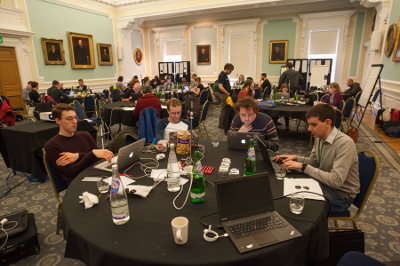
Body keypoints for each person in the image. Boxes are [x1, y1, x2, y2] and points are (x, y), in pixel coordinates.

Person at [274, 104, 359, 214]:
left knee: (299, 203)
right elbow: (314, 163)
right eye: (309, 124)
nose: (309, 129)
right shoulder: (319, 138)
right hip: (325, 183)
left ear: (328, 123)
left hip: (340, 195)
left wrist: (303, 166)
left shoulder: (345, 144)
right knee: (290, 191)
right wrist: (296, 158)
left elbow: (336, 181)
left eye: (314, 124)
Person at [44, 104, 114, 185]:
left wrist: (78, 156)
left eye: (75, 117)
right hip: (78, 183)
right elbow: (71, 172)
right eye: (69, 119)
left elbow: (99, 158)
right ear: (57, 121)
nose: (74, 121)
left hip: (96, 174)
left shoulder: (85, 135)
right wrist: (92, 154)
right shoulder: (52, 145)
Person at [217, 63, 234, 129]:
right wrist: (227, 92)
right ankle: (221, 125)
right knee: (223, 110)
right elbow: (220, 87)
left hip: (226, 94)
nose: (230, 72)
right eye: (230, 70)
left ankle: (224, 123)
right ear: (226, 69)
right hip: (224, 95)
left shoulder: (225, 75)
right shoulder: (222, 75)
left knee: (226, 109)